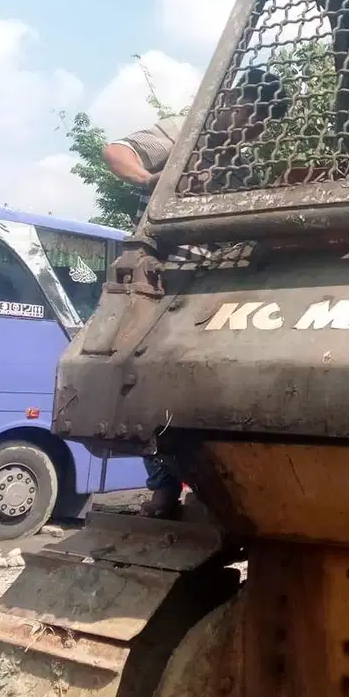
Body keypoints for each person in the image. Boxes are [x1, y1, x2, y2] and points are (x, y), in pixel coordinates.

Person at [102, 66, 286, 517]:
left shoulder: (242, 166)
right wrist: (151, 181)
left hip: (213, 282)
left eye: (265, 124)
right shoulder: (183, 132)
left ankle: (212, 487)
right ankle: (163, 490)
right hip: (162, 278)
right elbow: (116, 151)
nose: (257, 129)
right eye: (256, 116)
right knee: (142, 381)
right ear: (238, 102)